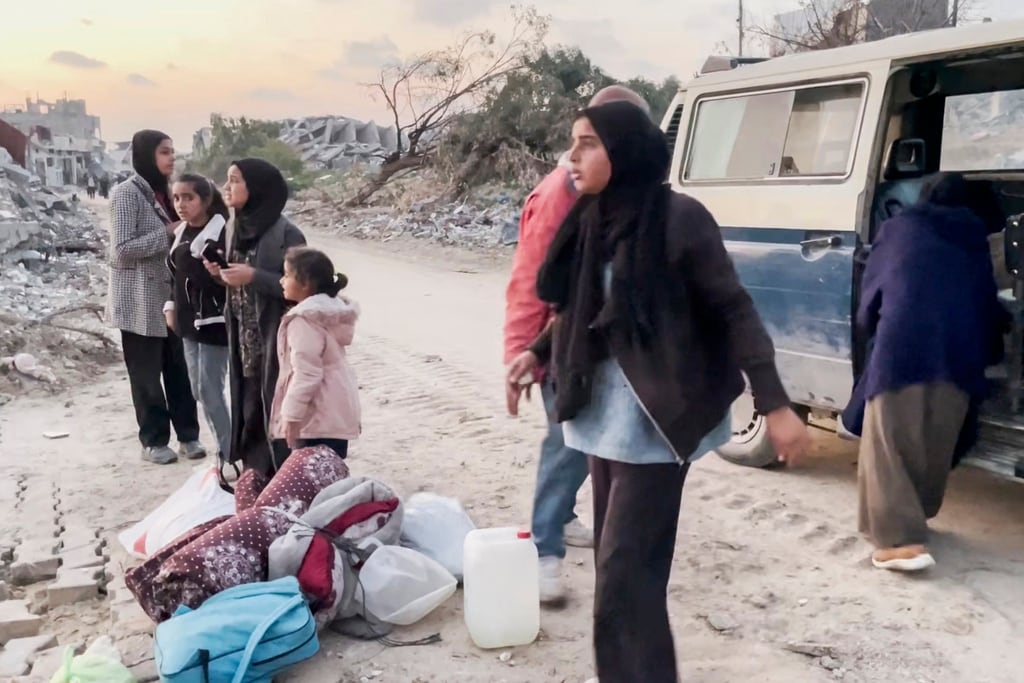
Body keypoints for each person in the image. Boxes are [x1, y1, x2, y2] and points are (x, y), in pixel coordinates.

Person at [527, 101, 810, 683]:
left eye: (587, 143)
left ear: (624, 151)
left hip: (660, 420)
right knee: (622, 574)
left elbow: (734, 309)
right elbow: (579, 309)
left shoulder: (680, 219)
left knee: (626, 573)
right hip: (603, 417)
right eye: (571, 143)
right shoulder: (592, 217)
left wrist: (774, 402)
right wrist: (532, 355)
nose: (572, 157)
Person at [504, 85, 650, 606]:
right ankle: (544, 551)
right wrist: (523, 355)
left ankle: (563, 520)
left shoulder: (625, 193)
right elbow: (528, 280)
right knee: (567, 445)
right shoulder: (561, 194)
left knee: (589, 445)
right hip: (562, 349)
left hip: (602, 349)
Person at [852, 172, 1008, 572]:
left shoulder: (899, 229)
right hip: (960, 353)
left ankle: (897, 543)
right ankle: (916, 518)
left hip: (903, 347)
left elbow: (874, 293)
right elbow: (986, 302)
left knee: (889, 443)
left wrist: (870, 327)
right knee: (934, 441)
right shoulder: (974, 241)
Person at [205, 158, 306, 477]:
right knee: (249, 410)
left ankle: (283, 478)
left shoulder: (287, 233)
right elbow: (237, 280)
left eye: (234, 180)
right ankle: (257, 478)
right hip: (244, 339)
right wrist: (221, 275)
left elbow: (304, 289)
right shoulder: (235, 224)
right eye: (228, 179)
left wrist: (253, 276)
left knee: (275, 410)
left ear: (257, 188)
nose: (227, 186)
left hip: (274, 339)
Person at [107, 129, 203, 465]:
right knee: (147, 376)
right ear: (147, 155)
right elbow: (120, 251)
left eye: (173, 151)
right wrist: (165, 233)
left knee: (180, 370)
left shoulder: (169, 193)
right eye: (164, 152)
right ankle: (153, 441)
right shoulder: (127, 194)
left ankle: (189, 436)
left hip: (174, 297)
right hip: (139, 301)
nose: (171, 158)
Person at [268, 247, 361, 459]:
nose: (282, 281)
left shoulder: (303, 321)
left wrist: (291, 415)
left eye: (287, 275)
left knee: (311, 479)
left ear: (306, 283)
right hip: (336, 410)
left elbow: (307, 373)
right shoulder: (331, 311)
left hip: (315, 415)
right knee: (331, 473)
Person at [166, 173, 233, 463]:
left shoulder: (221, 233)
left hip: (214, 323)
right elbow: (174, 276)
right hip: (187, 322)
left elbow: (225, 280)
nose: (181, 204)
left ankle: (230, 453)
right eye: (177, 198)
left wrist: (206, 266)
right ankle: (226, 446)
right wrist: (169, 306)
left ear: (205, 200)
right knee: (198, 390)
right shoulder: (181, 232)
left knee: (210, 390)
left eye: (188, 198)